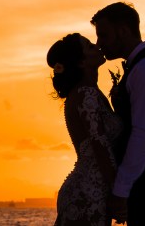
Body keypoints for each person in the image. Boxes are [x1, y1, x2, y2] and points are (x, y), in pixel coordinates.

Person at [91, 2, 145, 226]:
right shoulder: (138, 67)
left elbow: (144, 134)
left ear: (123, 31)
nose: (99, 43)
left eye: (103, 35)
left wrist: (121, 189)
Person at [48, 33, 123, 226]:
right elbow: (100, 146)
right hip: (88, 192)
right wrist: (119, 192)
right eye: (90, 46)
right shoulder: (86, 93)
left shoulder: (91, 92)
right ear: (81, 62)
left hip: (93, 188)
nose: (97, 46)